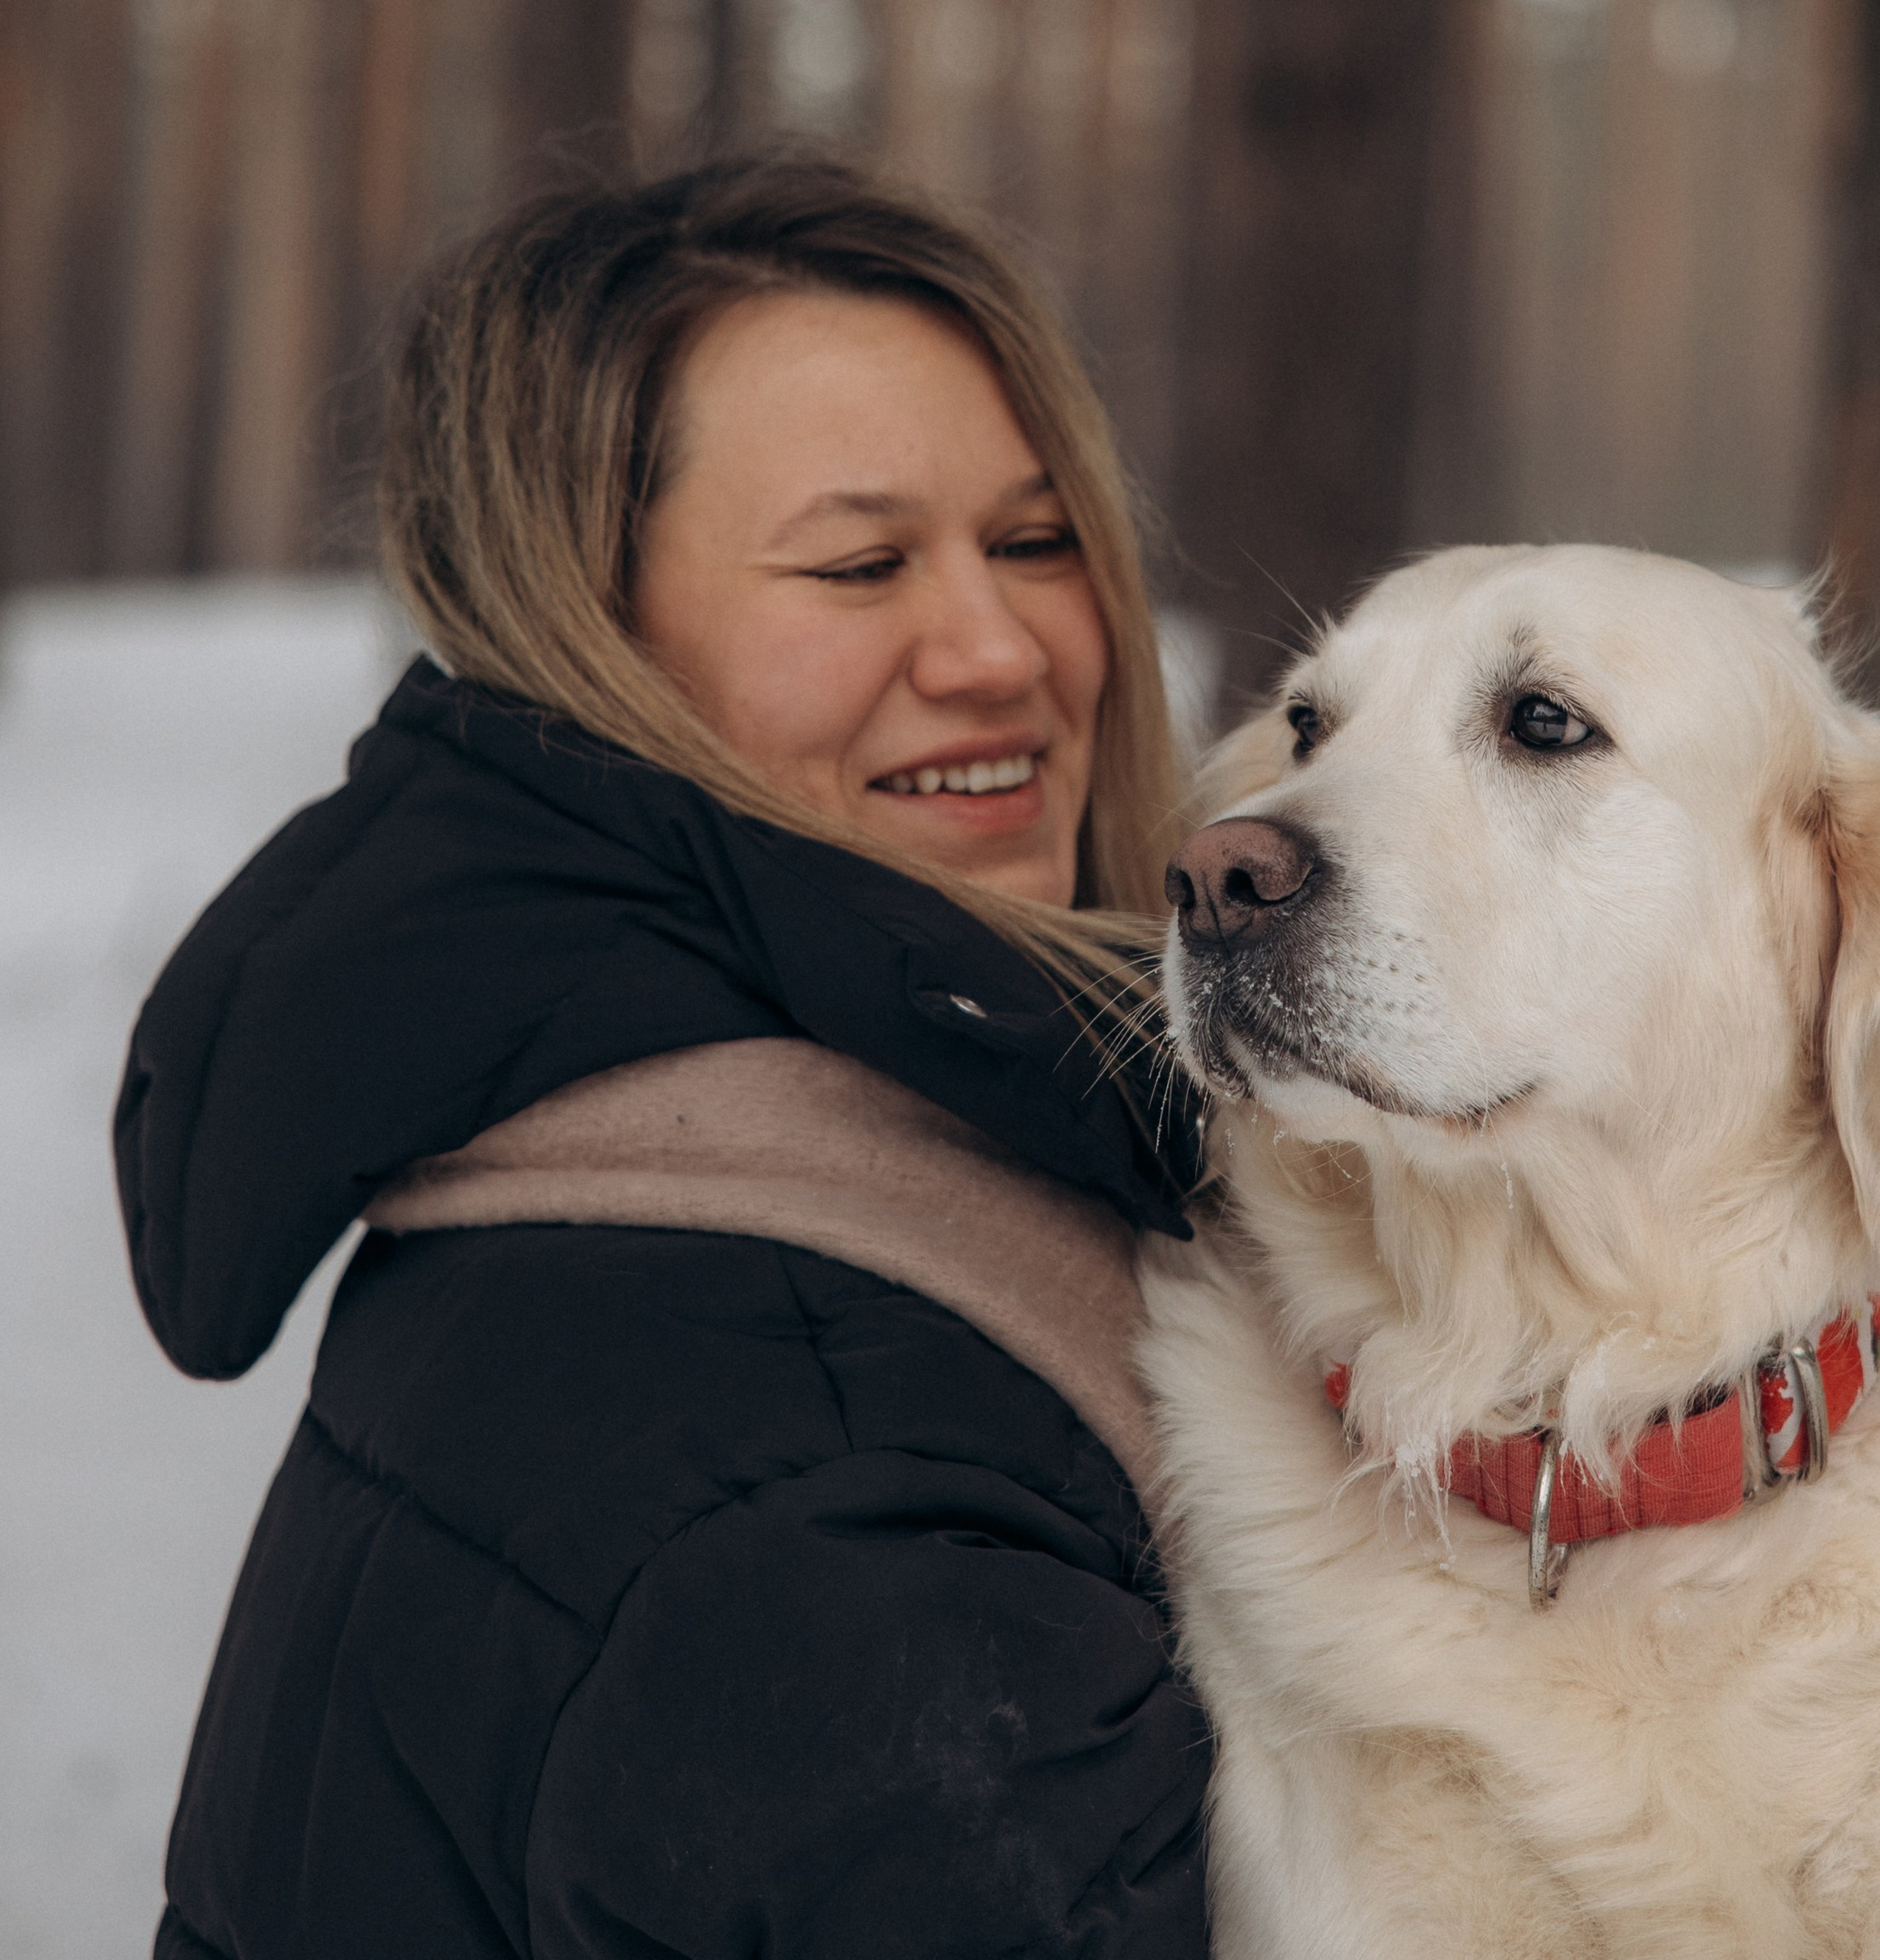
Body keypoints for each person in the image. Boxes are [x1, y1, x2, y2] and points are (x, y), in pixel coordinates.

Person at [116, 148, 1210, 1959]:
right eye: (859, 563)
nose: (999, 646)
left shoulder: (602, 1150)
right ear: (585, 651)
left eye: (1031, 538)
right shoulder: (825, 1467)